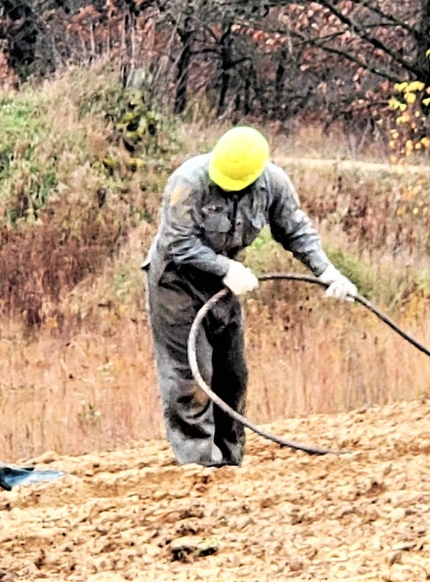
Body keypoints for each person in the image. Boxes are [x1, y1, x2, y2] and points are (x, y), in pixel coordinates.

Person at [143, 126, 357, 467]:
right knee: (190, 378)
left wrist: (326, 271)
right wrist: (224, 268)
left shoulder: (272, 183)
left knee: (232, 376)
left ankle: (230, 462)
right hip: (177, 284)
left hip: (226, 286)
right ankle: (200, 466)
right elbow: (176, 243)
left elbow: (295, 230)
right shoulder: (188, 182)